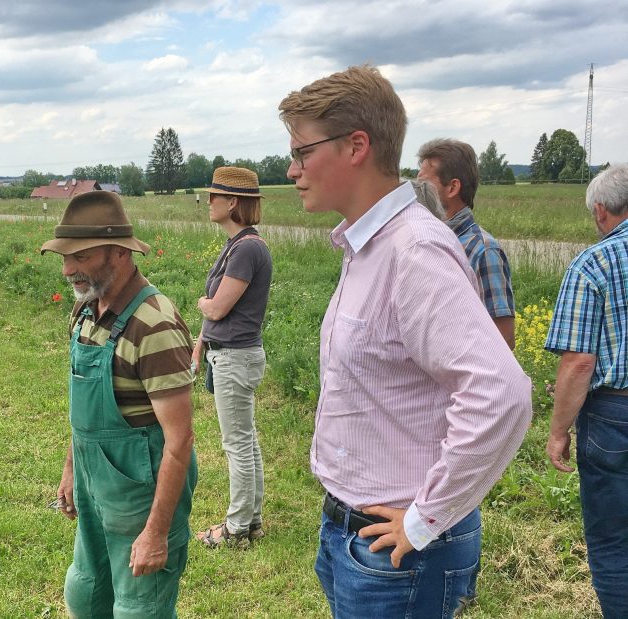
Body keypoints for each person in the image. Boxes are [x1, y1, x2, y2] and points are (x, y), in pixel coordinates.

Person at [278, 65, 532, 618]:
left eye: (302, 152)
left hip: (401, 557)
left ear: (356, 147)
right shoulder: (368, 246)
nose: (292, 169)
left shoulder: (414, 251)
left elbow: (502, 392)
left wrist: (424, 519)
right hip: (355, 535)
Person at [41, 191, 197, 619]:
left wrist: (156, 532)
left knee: (138, 610)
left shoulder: (154, 324)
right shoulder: (85, 310)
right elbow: (84, 414)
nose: (67, 269)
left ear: (120, 252)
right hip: (93, 488)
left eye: (81, 256)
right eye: (65, 256)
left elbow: (180, 440)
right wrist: (72, 470)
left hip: (139, 499)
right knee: (85, 595)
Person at [544, 164, 628, 619]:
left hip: (616, 416)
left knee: (614, 541)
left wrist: (559, 430)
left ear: (601, 210)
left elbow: (579, 362)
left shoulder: (595, 263)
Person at [192, 166, 273, 548]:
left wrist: (202, 303)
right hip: (231, 355)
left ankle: (237, 527)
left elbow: (218, 307)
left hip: (236, 358)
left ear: (233, 202)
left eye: (215, 196)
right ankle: (251, 521)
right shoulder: (236, 245)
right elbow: (216, 314)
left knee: (237, 444)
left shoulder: (247, 248)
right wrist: (200, 344)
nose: (208, 201)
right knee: (245, 440)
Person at [417, 139, 516, 349]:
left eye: (425, 185)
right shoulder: (427, 241)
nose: (418, 193)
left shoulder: (483, 250)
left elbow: (503, 339)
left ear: (453, 187)